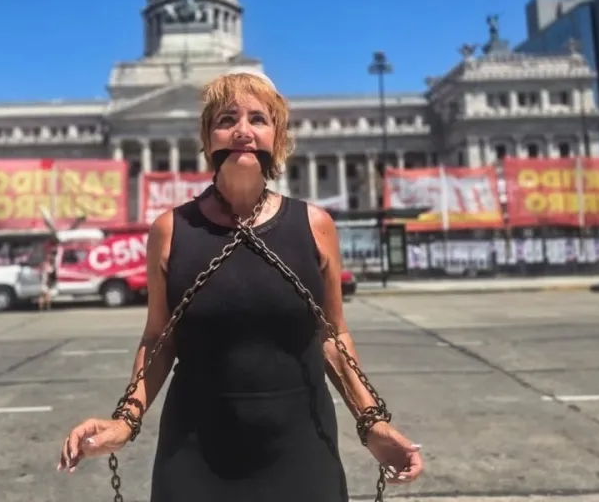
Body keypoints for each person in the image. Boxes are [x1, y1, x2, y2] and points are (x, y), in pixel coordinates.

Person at [58, 70, 423, 501]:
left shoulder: (315, 225)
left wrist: (371, 421)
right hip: (195, 450)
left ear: (277, 138)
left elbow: (332, 336)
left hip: (300, 446)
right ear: (208, 139)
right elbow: (159, 339)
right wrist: (126, 421)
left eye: (258, 119)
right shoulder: (170, 230)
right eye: (227, 119)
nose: (243, 132)